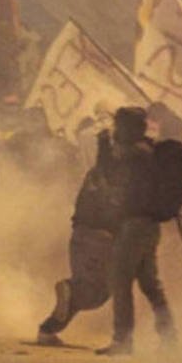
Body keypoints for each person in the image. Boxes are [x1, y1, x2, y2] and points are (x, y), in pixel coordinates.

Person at [96, 107, 178, 356]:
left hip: (135, 225)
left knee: (120, 280)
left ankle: (123, 340)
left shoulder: (136, 153)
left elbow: (107, 173)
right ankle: (169, 338)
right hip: (145, 225)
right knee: (150, 284)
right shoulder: (147, 151)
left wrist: (102, 145)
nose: (116, 131)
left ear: (131, 128)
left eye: (119, 126)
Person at [36, 130, 122, 346]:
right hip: (104, 238)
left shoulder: (94, 173)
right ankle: (70, 290)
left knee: (88, 286)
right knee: (98, 292)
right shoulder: (122, 176)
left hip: (81, 235)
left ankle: (48, 330)